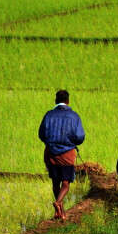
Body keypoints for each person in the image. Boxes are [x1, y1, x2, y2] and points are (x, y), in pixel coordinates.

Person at [38, 90, 85, 221]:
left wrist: (51, 143)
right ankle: (58, 203)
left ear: (56, 101)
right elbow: (80, 137)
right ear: (68, 101)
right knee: (66, 183)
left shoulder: (49, 115)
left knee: (55, 181)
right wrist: (71, 142)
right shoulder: (74, 116)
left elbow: (41, 134)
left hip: (51, 153)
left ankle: (60, 212)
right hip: (67, 154)